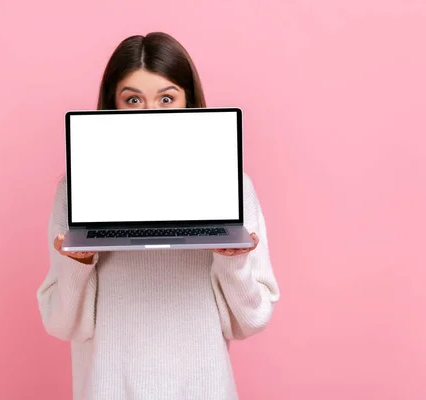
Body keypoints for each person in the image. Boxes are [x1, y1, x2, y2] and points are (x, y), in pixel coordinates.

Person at [37, 32, 280, 400]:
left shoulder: (232, 187)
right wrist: (78, 264)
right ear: (113, 106)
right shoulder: (75, 193)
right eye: (133, 99)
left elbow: (250, 322)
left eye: (166, 98)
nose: (150, 113)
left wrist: (231, 263)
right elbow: (60, 324)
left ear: (188, 102)